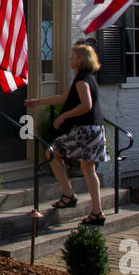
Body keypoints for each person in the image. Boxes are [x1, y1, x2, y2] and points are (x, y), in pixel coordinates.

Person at [24, 44, 109, 226]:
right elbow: (63, 98)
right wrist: (37, 102)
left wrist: (64, 115)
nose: (70, 58)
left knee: (51, 153)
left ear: (80, 59)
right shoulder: (87, 78)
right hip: (95, 129)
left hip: (84, 131)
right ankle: (96, 211)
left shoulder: (81, 81)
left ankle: (69, 195)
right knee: (88, 169)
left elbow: (86, 105)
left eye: (73, 56)